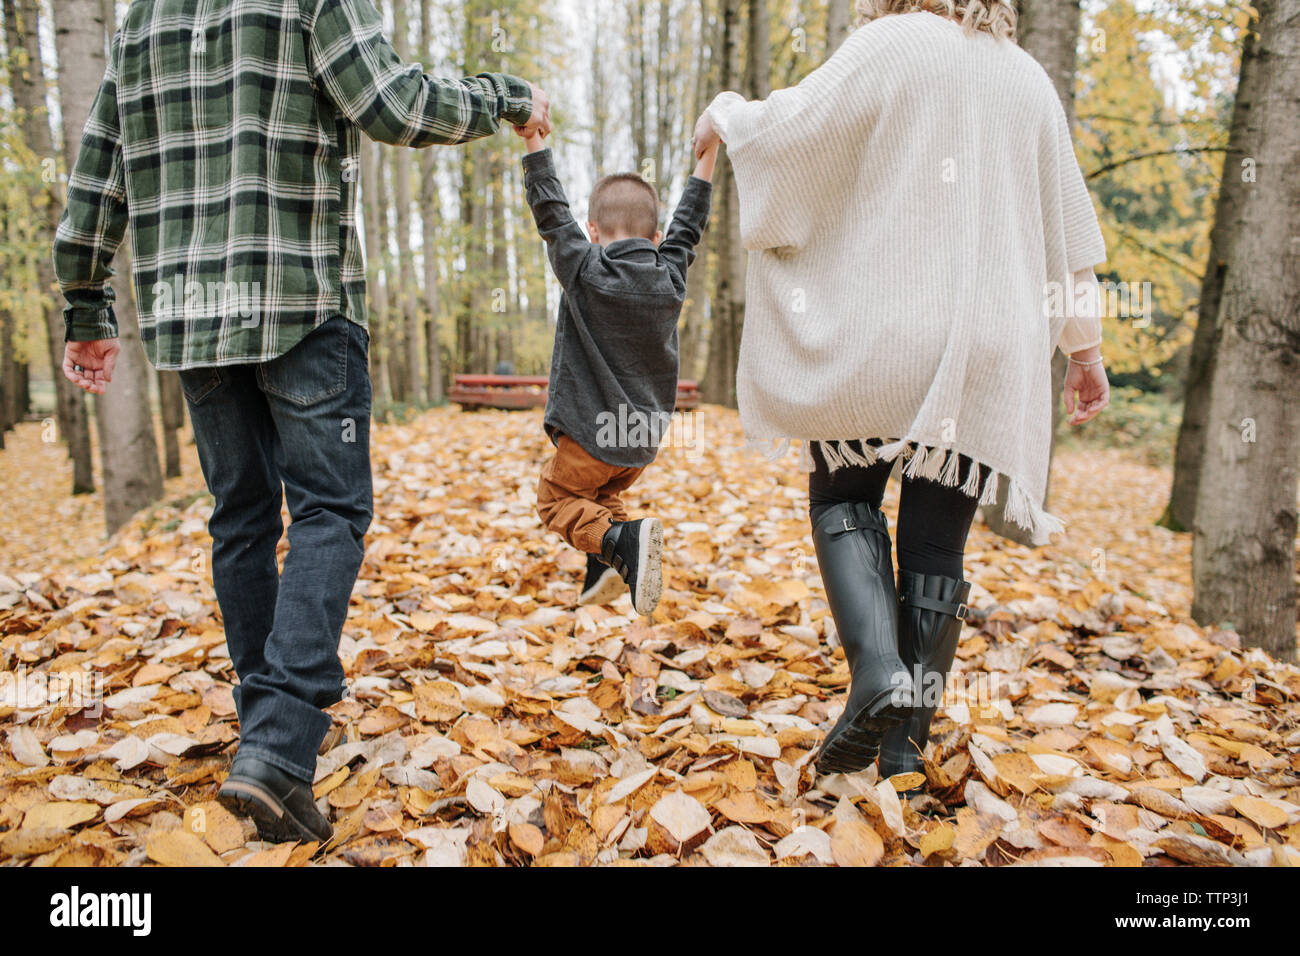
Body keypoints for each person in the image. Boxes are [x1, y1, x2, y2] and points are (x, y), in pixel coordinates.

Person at [54, 0, 550, 843]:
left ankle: (264, 736)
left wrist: (86, 297)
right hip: (300, 304)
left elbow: (100, 162)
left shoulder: (142, 16)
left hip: (192, 317)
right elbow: (390, 101)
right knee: (329, 510)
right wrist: (507, 96)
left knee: (241, 519)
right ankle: (279, 749)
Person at [692, 0, 1110, 783]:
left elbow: (788, 134)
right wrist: (1083, 349)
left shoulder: (887, 45)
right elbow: (1069, 237)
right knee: (935, 547)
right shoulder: (1028, 80)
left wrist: (724, 115)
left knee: (841, 501)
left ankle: (877, 672)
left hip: (889, 330)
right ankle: (902, 752)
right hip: (996, 347)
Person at [519, 126, 715, 617]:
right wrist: (708, 155)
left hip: (589, 436)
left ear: (592, 232)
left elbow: (550, 212)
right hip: (639, 444)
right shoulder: (669, 276)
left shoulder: (585, 270)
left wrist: (533, 141)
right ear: (656, 238)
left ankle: (617, 545)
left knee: (557, 500)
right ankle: (608, 570)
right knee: (604, 498)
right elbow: (688, 227)